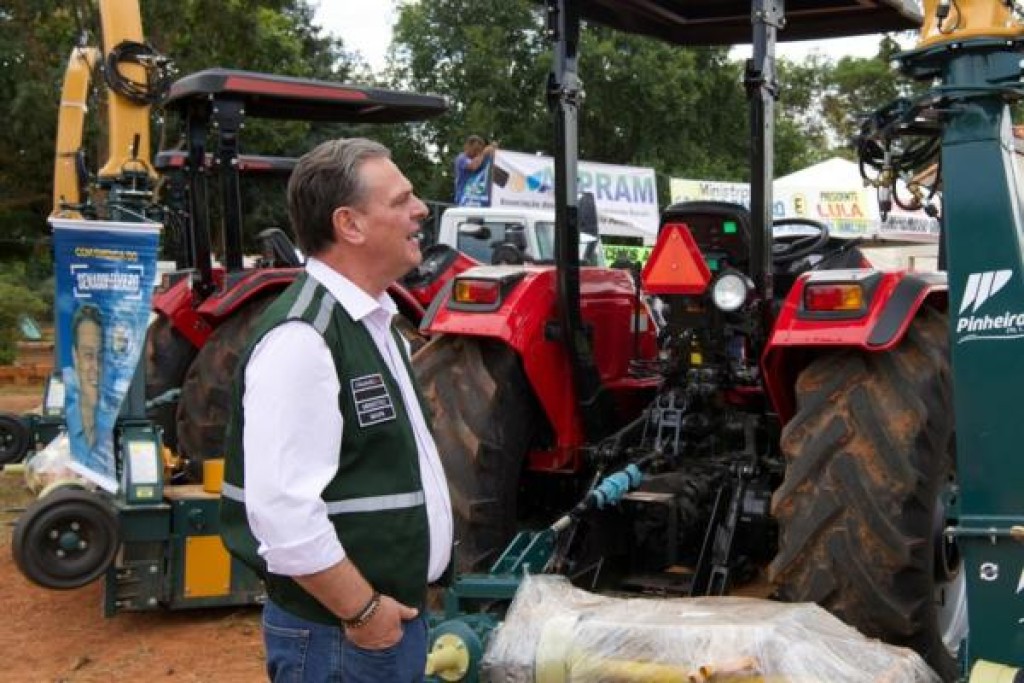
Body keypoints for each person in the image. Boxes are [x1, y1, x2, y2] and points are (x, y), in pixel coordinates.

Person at [219, 137, 454, 683]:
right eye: (401, 200)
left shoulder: (373, 325)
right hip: (344, 638)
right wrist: (366, 615)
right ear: (349, 224)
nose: (421, 210)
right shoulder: (304, 338)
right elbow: (283, 513)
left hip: (375, 630)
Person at [453, 134, 496, 205]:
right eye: (475, 150)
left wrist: (493, 150)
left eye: (479, 150)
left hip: (477, 197)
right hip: (464, 198)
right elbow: (473, 166)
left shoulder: (480, 159)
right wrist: (484, 153)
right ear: (467, 146)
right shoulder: (461, 158)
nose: (477, 153)